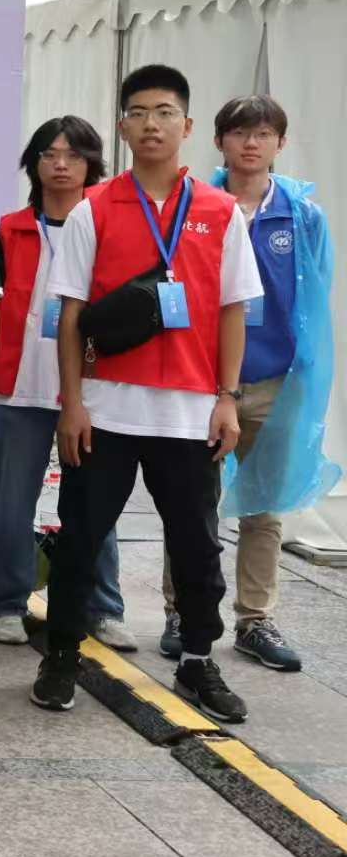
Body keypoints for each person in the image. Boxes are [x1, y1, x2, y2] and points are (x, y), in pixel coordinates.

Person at [33, 64, 258, 724]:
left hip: (191, 411)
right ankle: (61, 655)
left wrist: (227, 397)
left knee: (197, 546)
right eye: (138, 112)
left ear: (187, 126)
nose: (151, 124)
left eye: (164, 112)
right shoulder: (94, 208)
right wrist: (73, 403)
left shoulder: (220, 212)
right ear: (122, 126)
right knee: (80, 539)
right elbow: (71, 314)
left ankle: (197, 658)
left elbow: (233, 311)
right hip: (106, 407)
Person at [155, 95, 337, 674]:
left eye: (263, 134)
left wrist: (307, 377)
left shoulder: (303, 216)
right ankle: (181, 612)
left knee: (265, 508)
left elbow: (316, 297)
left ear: (281, 143)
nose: (251, 144)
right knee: (192, 503)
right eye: (239, 133)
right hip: (204, 381)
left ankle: (255, 619)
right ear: (219, 141)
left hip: (274, 381)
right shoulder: (192, 205)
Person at [0, 118, 133, 651]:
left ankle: (104, 607)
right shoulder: (9, 230)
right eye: (49, 154)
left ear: (93, 164)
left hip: (90, 389)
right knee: (13, 501)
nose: (61, 164)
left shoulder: (111, 227)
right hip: (20, 384)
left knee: (95, 503)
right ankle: (7, 603)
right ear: (33, 164)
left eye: (73, 155)